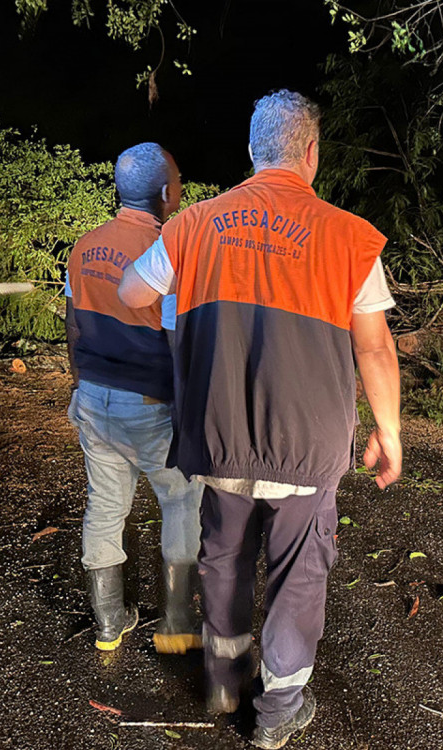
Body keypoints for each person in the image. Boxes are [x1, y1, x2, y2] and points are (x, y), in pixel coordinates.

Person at [118, 90, 403, 750]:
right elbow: (374, 346)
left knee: (226, 552)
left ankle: (223, 678)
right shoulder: (348, 236)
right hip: (307, 443)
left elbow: (133, 290)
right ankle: (276, 713)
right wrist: (388, 431)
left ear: (251, 152)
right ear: (312, 153)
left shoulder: (192, 226)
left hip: (219, 437)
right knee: (298, 569)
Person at [64, 143, 203, 653]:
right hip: (150, 405)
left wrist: (80, 384)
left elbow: (73, 324)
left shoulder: (83, 246)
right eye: (179, 180)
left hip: (95, 399)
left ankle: (107, 623)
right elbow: (178, 339)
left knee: (104, 506)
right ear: (167, 192)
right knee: (182, 501)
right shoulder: (169, 251)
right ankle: (178, 621)